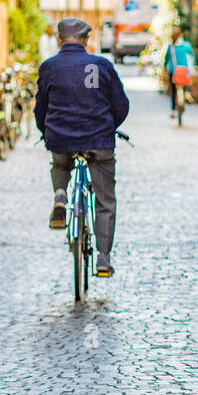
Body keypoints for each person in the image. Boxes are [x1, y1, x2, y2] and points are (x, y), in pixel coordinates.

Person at [33, 17, 129, 279]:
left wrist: (46, 131)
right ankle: (103, 258)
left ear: (59, 40)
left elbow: (41, 108)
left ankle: (61, 196)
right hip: (99, 139)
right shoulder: (101, 65)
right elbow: (120, 105)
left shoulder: (49, 68)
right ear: (86, 40)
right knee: (105, 199)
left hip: (60, 137)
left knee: (61, 163)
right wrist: (108, 125)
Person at [164, 27, 196, 118]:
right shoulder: (187, 45)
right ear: (181, 35)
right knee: (185, 83)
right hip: (184, 70)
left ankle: (173, 110)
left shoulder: (171, 46)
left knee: (173, 91)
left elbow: (166, 60)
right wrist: (194, 66)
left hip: (173, 71)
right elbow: (192, 57)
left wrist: (164, 68)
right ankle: (186, 93)